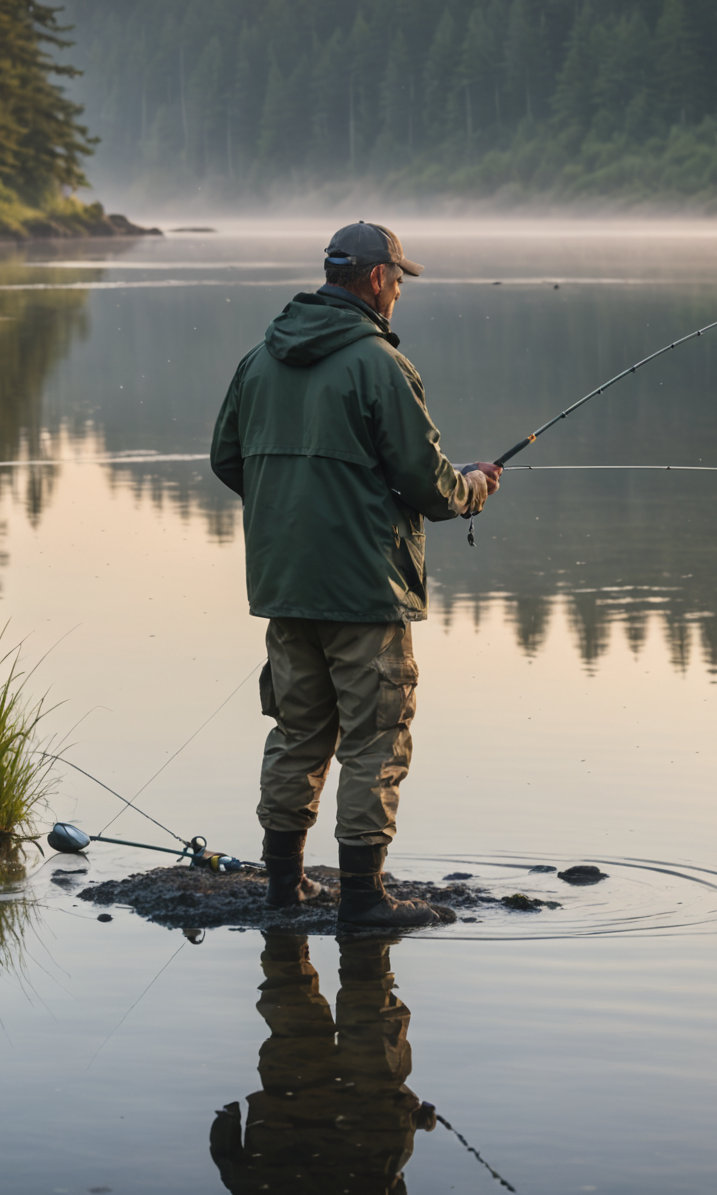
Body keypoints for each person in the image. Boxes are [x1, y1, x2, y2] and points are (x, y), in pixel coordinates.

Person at [210, 222, 501, 928]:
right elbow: (429, 487)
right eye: (399, 280)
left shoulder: (259, 359)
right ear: (375, 279)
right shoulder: (380, 365)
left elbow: (226, 459)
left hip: (284, 584)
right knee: (377, 736)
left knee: (297, 732)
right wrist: (475, 487)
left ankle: (284, 887)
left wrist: (293, 511)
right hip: (367, 590)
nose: (400, 292)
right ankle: (365, 898)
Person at [208, 933, 436, 1195]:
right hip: (294, 1105)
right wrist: (229, 1116)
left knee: (370, 1004)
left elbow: (394, 1186)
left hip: (366, 1110)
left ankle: (362, 927)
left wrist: (414, 1117)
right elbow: (227, 1155)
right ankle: (286, 920)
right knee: (294, 1003)